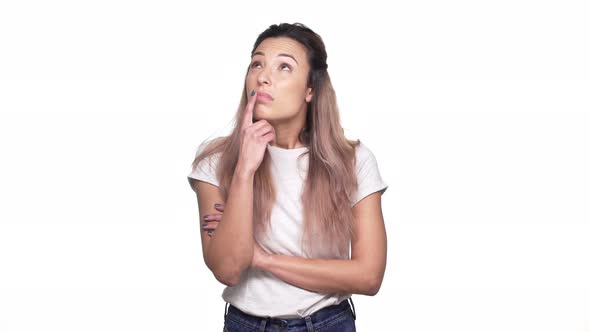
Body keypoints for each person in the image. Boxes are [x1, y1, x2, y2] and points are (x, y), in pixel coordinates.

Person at [187, 22, 388, 332]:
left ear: (310, 89)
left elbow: (368, 276)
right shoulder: (216, 161)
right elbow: (227, 268)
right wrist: (244, 170)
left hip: (328, 323)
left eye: (284, 67)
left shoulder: (353, 161)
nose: (263, 76)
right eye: (257, 63)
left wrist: (260, 258)